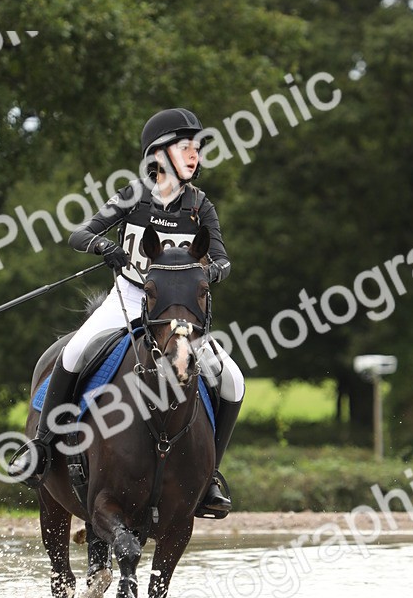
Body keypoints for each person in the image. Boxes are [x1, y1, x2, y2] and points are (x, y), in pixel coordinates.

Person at [14, 107, 245, 517]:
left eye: (197, 148)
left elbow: (223, 259)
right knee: (72, 353)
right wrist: (107, 247)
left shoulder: (200, 204)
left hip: (180, 313)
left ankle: (209, 476)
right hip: (130, 299)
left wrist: (212, 271)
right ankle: (43, 448)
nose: (195, 155)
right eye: (185, 147)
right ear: (160, 153)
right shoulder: (133, 194)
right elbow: (79, 234)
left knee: (233, 381)